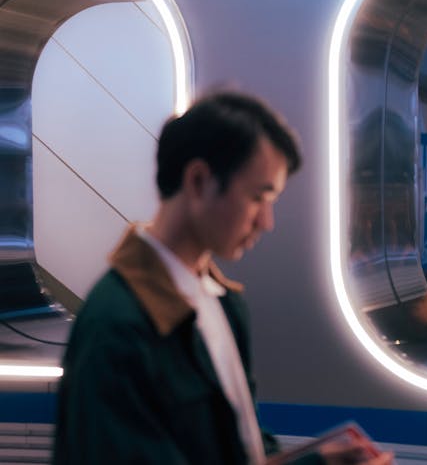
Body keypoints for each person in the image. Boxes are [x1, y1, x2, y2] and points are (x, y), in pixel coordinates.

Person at [53, 91, 393, 465]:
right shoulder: (117, 328)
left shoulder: (222, 303)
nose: (267, 221)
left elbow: (241, 451)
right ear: (199, 181)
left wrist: (322, 463)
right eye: (257, 198)